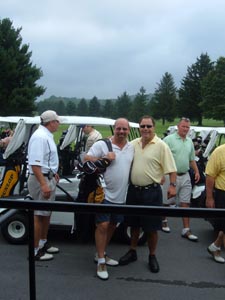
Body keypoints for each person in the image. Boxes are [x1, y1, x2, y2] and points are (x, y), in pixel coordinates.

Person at [119, 115, 177, 273]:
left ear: (154, 128)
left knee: (152, 228)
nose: (145, 129)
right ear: (139, 128)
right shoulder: (133, 144)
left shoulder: (161, 146)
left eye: (148, 126)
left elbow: (171, 169)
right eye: (143, 126)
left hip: (151, 192)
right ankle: (132, 251)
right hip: (133, 191)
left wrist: (172, 185)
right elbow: (118, 146)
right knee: (134, 224)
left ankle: (152, 255)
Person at [84, 118, 134, 280]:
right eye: (118, 129)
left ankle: (102, 253)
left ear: (128, 130)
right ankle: (100, 261)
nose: (121, 132)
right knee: (103, 225)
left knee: (113, 224)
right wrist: (104, 158)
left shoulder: (131, 147)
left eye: (124, 129)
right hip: (103, 193)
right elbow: (86, 159)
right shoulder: (102, 145)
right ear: (114, 129)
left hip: (121, 196)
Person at [27, 110, 60, 261]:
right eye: (57, 121)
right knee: (38, 215)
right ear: (51, 122)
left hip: (48, 177)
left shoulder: (46, 135)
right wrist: (43, 184)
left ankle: (42, 243)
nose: (58, 124)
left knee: (46, 214)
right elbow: (35, 164)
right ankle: (35, 251)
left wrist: (53, 173)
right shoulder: (40, 137)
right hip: (41, 180)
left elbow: (46, 160)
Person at [163, 117, 200, 240]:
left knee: (185, 203)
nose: (185, 129)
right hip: (170, 176)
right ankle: (163, 220)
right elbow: (161, 157)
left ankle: (186, 229)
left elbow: (191, 159)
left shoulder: (189, 141)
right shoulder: (168, 140)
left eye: (187, 127)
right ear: (178, 127)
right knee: (167, 202)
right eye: (183, 126)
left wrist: (197, 171)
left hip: (185, 175)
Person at [205, 144, 225, 264]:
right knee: (223, 224)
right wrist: (209, 197)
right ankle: (216, 247)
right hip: (223, 193)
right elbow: (210, 176)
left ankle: (215, 246)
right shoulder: (220, 151)